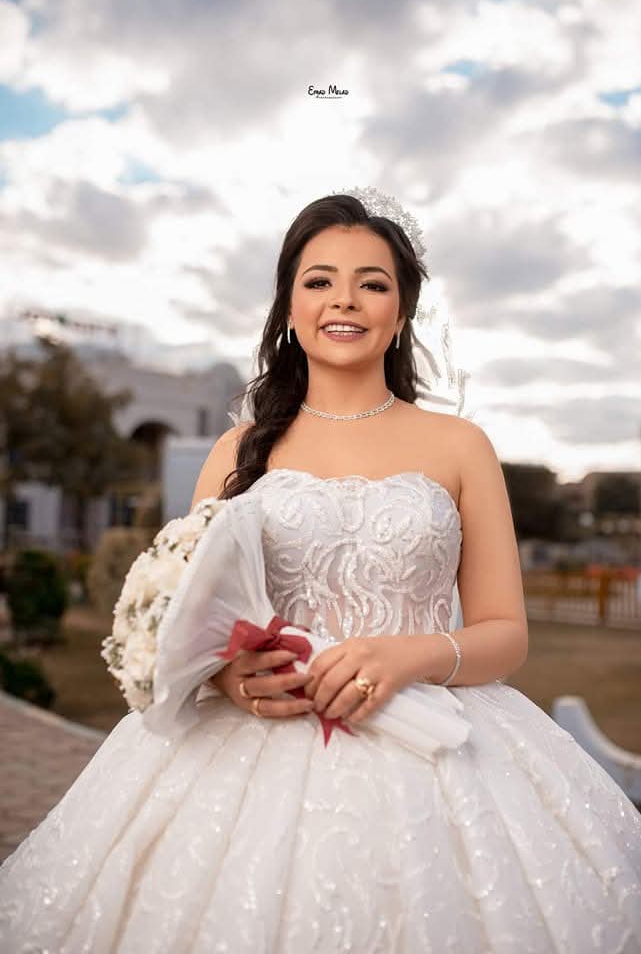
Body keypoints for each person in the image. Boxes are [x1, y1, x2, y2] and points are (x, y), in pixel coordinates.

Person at [1, 193, 640, 953]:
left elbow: (505, 634)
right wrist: (227, 676)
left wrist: (408, 655)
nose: (344, 299)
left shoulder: (460, 445)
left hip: (435, 742)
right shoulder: (237, 450)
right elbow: (193, 613)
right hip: (248, 747)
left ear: (401, 313)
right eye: (319, 280)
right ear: (288, 306)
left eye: (372, 283)